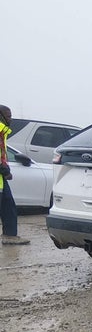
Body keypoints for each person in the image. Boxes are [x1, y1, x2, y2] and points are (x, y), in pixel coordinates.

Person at [0, 104, 30, 245]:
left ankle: (10, 235)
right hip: (1, 175)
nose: (10, 119)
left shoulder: (3, 132)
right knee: (7, 205)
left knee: (8, 206)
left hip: (1, 179)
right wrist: (4, 170)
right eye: (8, 116)